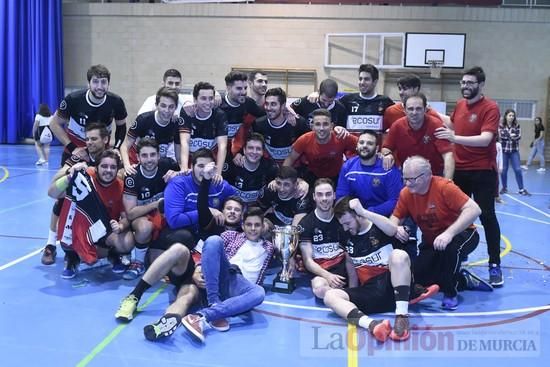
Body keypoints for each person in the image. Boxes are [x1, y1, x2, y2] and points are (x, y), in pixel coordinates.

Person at [114, 164, 245, 341]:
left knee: (188, 295)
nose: (232, 212)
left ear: (242, 216)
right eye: (228, 208)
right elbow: (201, 205)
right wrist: (198, 267)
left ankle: (165, 322)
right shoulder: (212, 224)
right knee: (178, 248)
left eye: (236, 210)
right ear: (221, 209)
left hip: (211, 283)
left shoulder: (242, 235)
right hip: (192, 268)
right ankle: (134, 297)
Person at [325, 196, 439, 342]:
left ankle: (402, 317)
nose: (346, 228)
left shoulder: (378, 225)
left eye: (348, 223)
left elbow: (392, 229)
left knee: (399, 255)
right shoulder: (345, 234)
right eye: (343, 224)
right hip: (370, 292)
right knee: (330, 296)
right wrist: (352, 291)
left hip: (392, 285)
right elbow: (350, 264)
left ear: (358, 216)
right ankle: (373, 325)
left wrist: (363, 211)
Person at [434, 66, 504, 287]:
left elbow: (485, 139)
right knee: (458, 217)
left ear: (481, 85)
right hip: (461, 170)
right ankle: (458, 256)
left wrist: (454, 137)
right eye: (463, 82)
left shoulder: (490, 107)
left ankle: (494, 264)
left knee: (487, 216)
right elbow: (454, 124)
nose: (465, 86)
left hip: (483, 170)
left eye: (470, 83)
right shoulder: (461, 104)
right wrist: (430, 112)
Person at [390, 156, 486, 310]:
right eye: (405, 178)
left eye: (412, 179)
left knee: (450, 250)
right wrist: (396, 228)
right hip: (432, 241)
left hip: (463, 234)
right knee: (418, 277)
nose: (407, 183)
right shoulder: (406, 193)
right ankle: (463, 280)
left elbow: (474, 209)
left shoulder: (444, 187)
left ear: (427, 176)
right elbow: (395, 217)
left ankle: (450, 292)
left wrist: (449, 233)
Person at [180, 206, 274, 343]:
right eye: (249, 224)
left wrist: (290, 261)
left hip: (242, 290)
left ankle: (200, 316)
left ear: (262, 226)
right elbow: (208, 251)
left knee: (259, 293)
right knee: (213, 240)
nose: (253, 228)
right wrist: (199, 267)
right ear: (242, 225)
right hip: (225, 275)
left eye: (257, 225)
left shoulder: (269, 247)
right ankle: (214, 304)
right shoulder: (231, 235)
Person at [49, 150, 135, 278]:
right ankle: (72, 258)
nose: (108, 170)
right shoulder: (85, 178)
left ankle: (112, 255)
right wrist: (69, 177)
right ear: (96, 167)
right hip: (78, 230)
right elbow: (52, 193)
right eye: (104, 166)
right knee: (68, 231)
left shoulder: (120, 186)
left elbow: (126, 216)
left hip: (103, 231)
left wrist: (121, 225)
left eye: (113, 167)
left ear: (118, 169)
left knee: (127, 241)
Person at [41, 122, 110, 265]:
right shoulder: (80, 155)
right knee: (62, 196)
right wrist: (70, 171)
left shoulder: (111, 157)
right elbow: (54, 183)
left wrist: (92, 171)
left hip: (104, 201)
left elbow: (119, 177)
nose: (89, 143)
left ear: (105, 140)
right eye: (87, 139)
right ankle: (51, 244)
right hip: (83, 200)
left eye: (94, 139)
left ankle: (112, 251)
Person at [122, 138, 181, 279]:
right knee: (144, 228)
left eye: (152, 155)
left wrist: (179, 174)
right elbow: (130, 214)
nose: (149, 159)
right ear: (137, 157)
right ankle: (138, 262)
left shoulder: (168, 166)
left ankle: (150, 251)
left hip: (163, 216)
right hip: (141, 216)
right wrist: (157, 204)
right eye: (144, 155)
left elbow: (190, 176)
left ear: (159, 155)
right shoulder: (132, 177)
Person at [48, 64, 128, 165]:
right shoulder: (73, 100)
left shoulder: (116, 102)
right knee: (63, 180)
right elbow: (54, 124)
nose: (99, 87)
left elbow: (121, 127)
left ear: (109, 84)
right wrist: (72, 148)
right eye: (95, 82)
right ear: (88, 84)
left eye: (103, 82)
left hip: (101, 155)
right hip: (75, 154)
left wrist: (116, 148)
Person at [299, 179, 355, 299]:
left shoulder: (343, 219)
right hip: (321, 272)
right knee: (319, 289)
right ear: (314, 197)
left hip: (347, 270)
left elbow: (351, 252)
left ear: (334, 195)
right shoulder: (306, 223)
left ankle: (346, 298)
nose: (324, 198)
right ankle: (345, 299)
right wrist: (328, 276)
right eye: (320, 194)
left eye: (328, 194)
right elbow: (308, 261)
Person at [382, 92, 455, 179]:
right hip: (407, 176)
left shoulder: (436, 125)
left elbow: (448, 155)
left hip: (433, 176)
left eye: (418, 109)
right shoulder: (397, 126)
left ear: (425, 109)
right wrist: (387, 154)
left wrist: (447, 181)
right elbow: (386, 148)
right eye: (410, 109)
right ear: (404, 110)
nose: (414, 112)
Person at [311, 64, 394, 136]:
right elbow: (328, 103)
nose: (362, 82)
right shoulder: (347, 100)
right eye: (360, 79)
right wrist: (317, 95)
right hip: (351, 151)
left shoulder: (385, 102)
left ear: (375, 82)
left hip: (374, 151)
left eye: (366, 79)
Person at [336, 130, 402, 217]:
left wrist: (368, 212)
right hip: (356, 217)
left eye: (370, 143)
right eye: (361, 142)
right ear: (357, 146)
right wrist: (355, 214)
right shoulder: (348, 167)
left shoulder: (388, 168)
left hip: (382, 218)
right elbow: (341, 196)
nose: (364, 146)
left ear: (377, 148)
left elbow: (395, 200)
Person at [283, 109, 358, 185]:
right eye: (318, 124)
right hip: (313, 176)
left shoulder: (341, 136)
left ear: (331, 126)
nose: (321, 128)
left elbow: (365, 146)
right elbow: (290, 159)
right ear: (312, 126)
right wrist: (283, 178)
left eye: (325, 124)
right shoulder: (304, 140)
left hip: (338, 176)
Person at [121, 87, 182, 175]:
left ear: (176, 107)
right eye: (163, 106)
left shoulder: (176, 124)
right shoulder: (143, 119)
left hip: (158, 164)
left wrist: (181, 173)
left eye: (171, 107)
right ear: (156, 105)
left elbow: (179, 157)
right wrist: (127, 166)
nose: (167, 110)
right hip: (137, 161)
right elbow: (125, 146)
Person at [244, 88, 310, 165]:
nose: (268, 108)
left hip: (293, 169)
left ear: (283, 106)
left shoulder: (298, 123)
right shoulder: (258, 124)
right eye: (267, 103)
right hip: (269, 168)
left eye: (273, 104)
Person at [178, 82, 228, 179]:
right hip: (191, 159)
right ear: (195, 99)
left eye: (210, 98)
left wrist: (218, 173)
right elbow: (184, 142)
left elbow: (222, 146)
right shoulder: (187, 112)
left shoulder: (220, 115)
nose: (208, 102)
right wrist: (184, 168)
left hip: (210, 160)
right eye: (203, 98)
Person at [223, 132, 278, 203]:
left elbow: (282, 178)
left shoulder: (270, 167)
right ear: (244, 150)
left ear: (263, 152)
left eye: (258, 149)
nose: (254, 152)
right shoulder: (231, 165)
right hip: (233, 208)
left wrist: (277, 182)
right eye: (251, 148)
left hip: (257, 210)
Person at [383, 74, 450, 132]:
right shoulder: (391, 111)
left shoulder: (429, 113)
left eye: (405, 89)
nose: (401, 92)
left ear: (416, 89)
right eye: (400, 89)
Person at [498, 109, 530, 196]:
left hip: (514, 151)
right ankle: (504, 188)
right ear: (506, 116)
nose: (511, 117)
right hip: (504, 151)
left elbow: (518, 136)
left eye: (513, 116)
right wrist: (510, 136)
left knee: (518, 170)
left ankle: (521, 189)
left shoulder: (517, 125)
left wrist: (507, 135)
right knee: (504, 170)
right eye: (510, 115)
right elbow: (501, 136)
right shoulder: (501, 126)